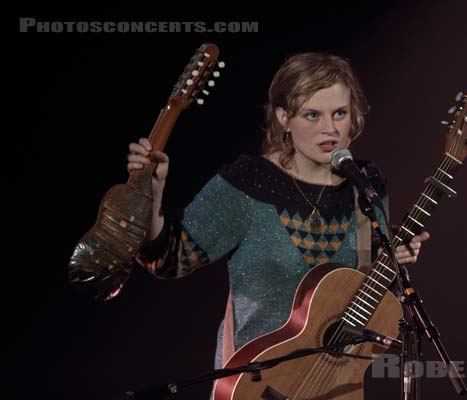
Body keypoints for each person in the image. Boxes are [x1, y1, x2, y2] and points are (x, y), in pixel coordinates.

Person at [127, 52, 430, 380]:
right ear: (284, 117)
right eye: (312, 115)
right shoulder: (249, 181)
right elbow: (172, 257)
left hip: (333, 384)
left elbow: (369, 298)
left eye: (339, 113)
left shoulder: (365, 184)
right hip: (258, 385)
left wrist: (393, 264)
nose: (330, 129)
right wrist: (154, 191)